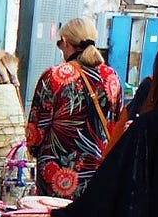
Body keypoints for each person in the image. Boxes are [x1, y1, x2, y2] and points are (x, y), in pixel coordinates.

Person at [24, 16, 122, 199]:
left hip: (56, 178)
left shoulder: (53, 76)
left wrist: (34, 152)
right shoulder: (112, 77)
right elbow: (115, 126)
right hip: (97, 176)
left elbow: (35, 133)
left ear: (66, 43)